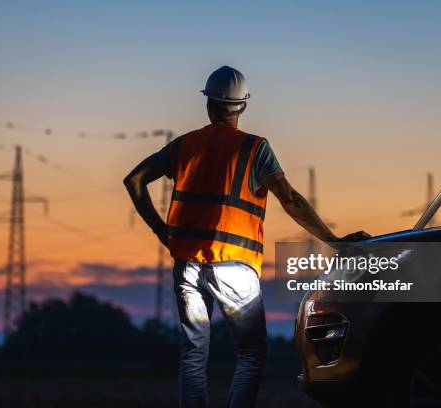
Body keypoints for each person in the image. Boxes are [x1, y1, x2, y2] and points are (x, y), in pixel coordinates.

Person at [124, 66, 370, 408]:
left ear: (209, 104)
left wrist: (161, 230)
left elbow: (133, 180)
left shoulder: (185, 146)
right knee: (251, 354)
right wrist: (335, 241)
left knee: (193, 354)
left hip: (187, 266)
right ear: (243, 106)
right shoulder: (256, 149)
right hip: (234, 267)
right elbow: (291, 200)